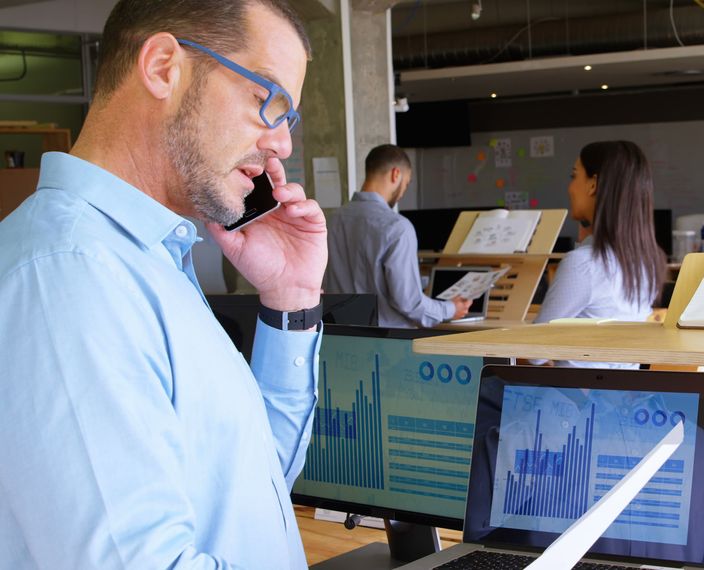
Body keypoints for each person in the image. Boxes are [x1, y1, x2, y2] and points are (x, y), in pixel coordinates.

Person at [0, 1, 325, 567]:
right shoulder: (69, 275)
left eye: (287, 117)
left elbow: (253, 484)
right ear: (162, 68)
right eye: (266, 99)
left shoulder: (153, 259)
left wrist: (290, 300)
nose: (282, 145)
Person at [532, 140, 667, 367]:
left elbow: (534, 353)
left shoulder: (583, 264)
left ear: (593, 184)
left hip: (575, 398)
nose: (570, 188)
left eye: (574, 176)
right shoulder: (647, 261)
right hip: (622, 394)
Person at [324, 144, 469, 327]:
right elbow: (409, 303)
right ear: (396, 174)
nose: (402, 193)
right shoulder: (397, 227)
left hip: (340, 337)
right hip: (387, 344)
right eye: (406, 184)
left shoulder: (331, 221)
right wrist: (450, 309)